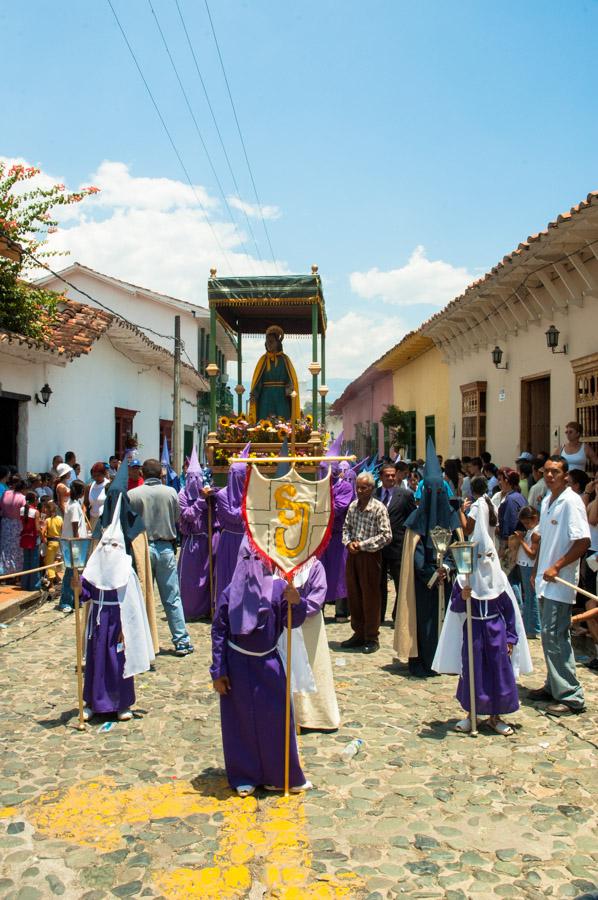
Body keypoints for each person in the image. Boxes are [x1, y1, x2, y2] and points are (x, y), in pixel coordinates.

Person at [210, 539, 310, 797]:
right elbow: (219, 633)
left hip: (269, 664)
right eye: (247, 559)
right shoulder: (229, 593)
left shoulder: (278, 590)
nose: (252, 565)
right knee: (239, 721)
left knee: (275, 720)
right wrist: (218, 672)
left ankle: (280, 774)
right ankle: (244, 774)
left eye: (258, 559)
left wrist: (296, 601)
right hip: (237, 666)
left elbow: (292, 622)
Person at [433, 491, 532, 734]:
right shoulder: (467, 577)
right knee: (473, 671)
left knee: (498, 673)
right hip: (474, 630)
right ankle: (472, 714)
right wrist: (462, 595)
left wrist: (511, 638)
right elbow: (456, 608)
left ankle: (496, 716)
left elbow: (509, 612)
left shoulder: (498, 580)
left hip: (496, 632)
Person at [81, 495, 155, 722]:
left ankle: (121, 703)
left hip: (118, 623)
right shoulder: (94, 568)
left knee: (118, 662)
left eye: (114, 545)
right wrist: (77, 587)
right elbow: (85, 594)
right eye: (105, 544)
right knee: (96, 662)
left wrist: (126, 626)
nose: (109, 549)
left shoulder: (126, 571)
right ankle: (93, 702)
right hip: (97, 622)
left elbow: (132, 604)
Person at [528, 456, 591, 715]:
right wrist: (536, 568)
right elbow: (543, 538)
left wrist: (557, 566)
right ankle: (554, 684)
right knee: (548, 636)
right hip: (545, 579)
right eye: (547, 471)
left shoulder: (571, 502)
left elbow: (582, 541)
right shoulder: (547, 501)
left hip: (559, 582)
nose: (550, 475)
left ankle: (571, 694)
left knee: (556, 636)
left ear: (566, 475)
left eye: (556, 472)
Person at [394, 438, 460, 677]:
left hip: (448, 580)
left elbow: (457, 547)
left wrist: (449, 568)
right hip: (425, 584)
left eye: (438, 491)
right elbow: (416, 555)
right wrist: (432, 573)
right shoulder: (416, 522)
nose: (435, 496)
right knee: (426, 623)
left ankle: (449, 660)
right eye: (430, 491)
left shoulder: (451, 518)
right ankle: (427, 660)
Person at [128, 459, 193, 656]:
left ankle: (141, 642)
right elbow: (176, 517)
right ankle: (181, 640)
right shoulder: (171, 492)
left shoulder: (133, 495)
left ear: (142, 474)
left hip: (141, 548)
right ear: (160, 474)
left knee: (140, 597)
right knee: (172, 597)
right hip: (165, 546)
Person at [341, 472, 392, 654]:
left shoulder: (379, 508)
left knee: (370, 596)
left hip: (370, 556)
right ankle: (358, 632)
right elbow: (346, 528)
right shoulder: (353, 506)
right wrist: (348, 543)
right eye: (358, 488)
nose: (360, 491)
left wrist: (362, 544)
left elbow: (386, 535)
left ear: (371, 488)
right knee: (354, 594)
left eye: (364, 488)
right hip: (353, 555)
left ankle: (371, 635)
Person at [289, 556, 340, 732]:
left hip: (309, 626)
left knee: (312, 667)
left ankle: (316, 716)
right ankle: (291, 714)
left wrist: (298, 605)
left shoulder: (315, 566)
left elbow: (317, 598)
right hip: (285, 624)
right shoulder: (278, 566)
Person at [211, 445, 250, 608]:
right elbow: (233, 516)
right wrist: (248, 509)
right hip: (229, 540)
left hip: (247, 541)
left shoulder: (251, 493)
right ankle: (224, 607)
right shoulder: (222, 495)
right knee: (227, 575)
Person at [376, 463, 416, 624]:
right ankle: (378, 617)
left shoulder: (405, 495)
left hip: (398, 546)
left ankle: (397, 616)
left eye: (393, 475)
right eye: (388, 475)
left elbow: (412, 518)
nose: (391, 478)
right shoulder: (374, 494)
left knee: (401, 583)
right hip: (378, 547)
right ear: (381, 477)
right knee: (378, 585)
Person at [177, 448, 213, 620]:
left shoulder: (205, 492)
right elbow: (188, 515)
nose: (194, 481)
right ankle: (189, 609)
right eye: (191, 477)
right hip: (191, 542)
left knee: (205, 577)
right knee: (190, 578)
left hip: (206, 540)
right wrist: (201, 501)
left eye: (197, 477)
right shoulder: (182, 495)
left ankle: (204, 608)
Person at [248, 325, 301, 423]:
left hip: (281, 397)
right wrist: (254, 394)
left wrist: (290, 392)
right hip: (266, 397)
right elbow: (258, 380)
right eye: (267, 342)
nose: (269, 344)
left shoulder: (285, 359)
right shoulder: (263, 360)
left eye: (271, 342)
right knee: (264, 421)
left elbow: (290, 378)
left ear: (278, 343)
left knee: (282, 421)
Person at [57, 480, 89, 612]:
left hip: (75, 543)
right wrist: (76, 541)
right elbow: (75, 524)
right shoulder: (74, 506)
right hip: (73, 543)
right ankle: (66, 601)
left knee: (75, 573)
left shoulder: (74, 504)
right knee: (70, 573)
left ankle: (75, 598)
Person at [513, 505, 541, 638]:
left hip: (529, 566)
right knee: (529, 597)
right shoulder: (532, 531)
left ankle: (533, 628)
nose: (526, 526)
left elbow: (532, 554)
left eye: (527, 523)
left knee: (531, 597)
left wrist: (521, 540)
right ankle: (530, 626)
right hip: (525, 565)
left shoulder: (536, 532)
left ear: (535, 519)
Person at [0, 477, 27, 577]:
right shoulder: (22, 498)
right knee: (16, 550)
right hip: (17, 525)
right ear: (23, 489)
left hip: (6, 524)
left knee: (5, 548)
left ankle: (4, 571)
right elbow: (25, 513)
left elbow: (1, 506)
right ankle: (15, 573)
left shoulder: (6, 493)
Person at [19, 491, 41, 592]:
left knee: (26, 562)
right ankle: (34, 586)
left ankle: (24, 584)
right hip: (33, 539)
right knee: (34, 562)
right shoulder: (36, 512)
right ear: (35, 500)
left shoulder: (22, 510)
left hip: (24, 538)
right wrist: (43, 538)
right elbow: (37, 528)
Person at [84, 463, 110, 532]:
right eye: (94, 476)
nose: (96, 478)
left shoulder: (109, 485)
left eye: (98, 475)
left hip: (105, 520)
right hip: (93, 520)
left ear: (104, 474)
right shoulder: (89, 487)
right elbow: (85, 503)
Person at [42, 500, 63, 586]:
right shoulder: (60, 519)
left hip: (51, 543)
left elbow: (43, 532)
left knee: (49, 563)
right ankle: (57, 578)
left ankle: (51, 584)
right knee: (57, 560)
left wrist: (45, 540)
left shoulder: (47, 520)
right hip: (59, 543)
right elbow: (63, 530)